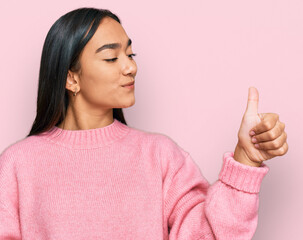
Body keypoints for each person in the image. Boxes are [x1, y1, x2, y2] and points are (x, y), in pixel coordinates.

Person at [0, 7, 288, 240]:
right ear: (70, 78)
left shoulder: (159, 156)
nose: (131, 67)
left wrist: (245, 159)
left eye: (130, 54)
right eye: (112, 57)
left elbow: (212, 235)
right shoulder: (18, 165)